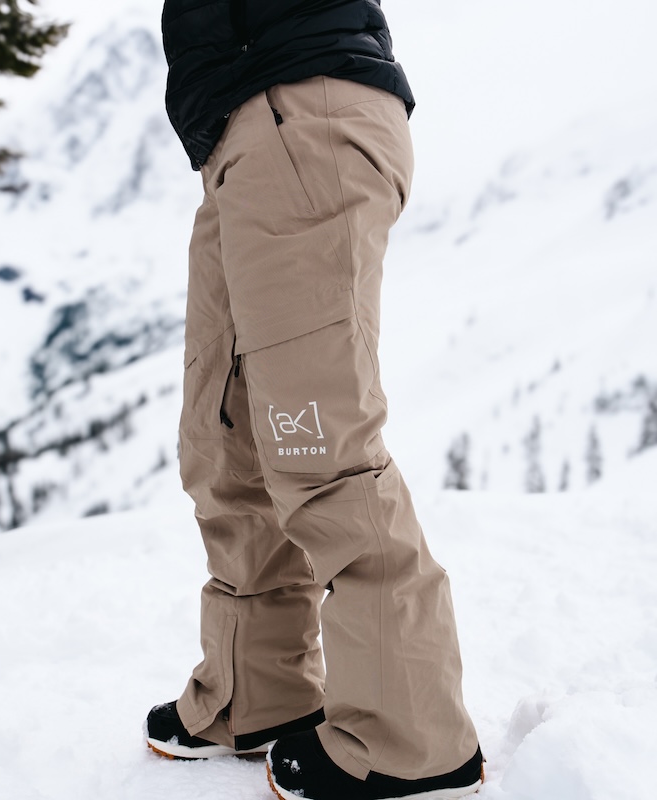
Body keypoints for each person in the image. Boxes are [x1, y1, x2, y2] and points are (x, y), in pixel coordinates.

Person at [145, 2, 484, 798]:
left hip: (298, 104)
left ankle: (410, 741)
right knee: (223, 438)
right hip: (241, 128)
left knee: (317, 444)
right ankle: (257, 691)